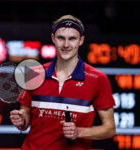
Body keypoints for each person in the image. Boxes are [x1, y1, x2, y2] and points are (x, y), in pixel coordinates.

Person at [10, 14, 116, 150]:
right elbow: (25, 117)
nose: (66, 44)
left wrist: (79, 132)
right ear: (53, 38)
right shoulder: (34, 74)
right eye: (61, 38)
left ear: (81, 40)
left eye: (72, 39)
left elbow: (110, 129)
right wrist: (21, 121)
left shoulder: (97, 79)